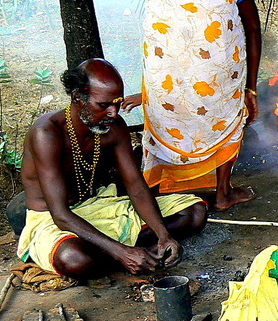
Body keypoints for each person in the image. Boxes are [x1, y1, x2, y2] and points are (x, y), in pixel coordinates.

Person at [17, 59, 208, 280]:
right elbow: (60, 214)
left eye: (117, 103)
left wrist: (164, 236)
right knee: (75, 259)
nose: (114, 113)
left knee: (194, 213)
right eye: (104, 105)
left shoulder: (114, 128)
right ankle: (127, 252)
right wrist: (123, 252)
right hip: (54, 219)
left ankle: (124, 252)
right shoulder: (47, 134)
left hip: (101, 206)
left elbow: (136, 187)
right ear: (78, 97)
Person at [123, 0, 261, 210]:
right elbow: (252, 27)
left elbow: (173, 59)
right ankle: (223, 193)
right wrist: (249, 89)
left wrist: (149, 93)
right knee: (225, 104)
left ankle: (154, 193)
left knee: (169, 85)